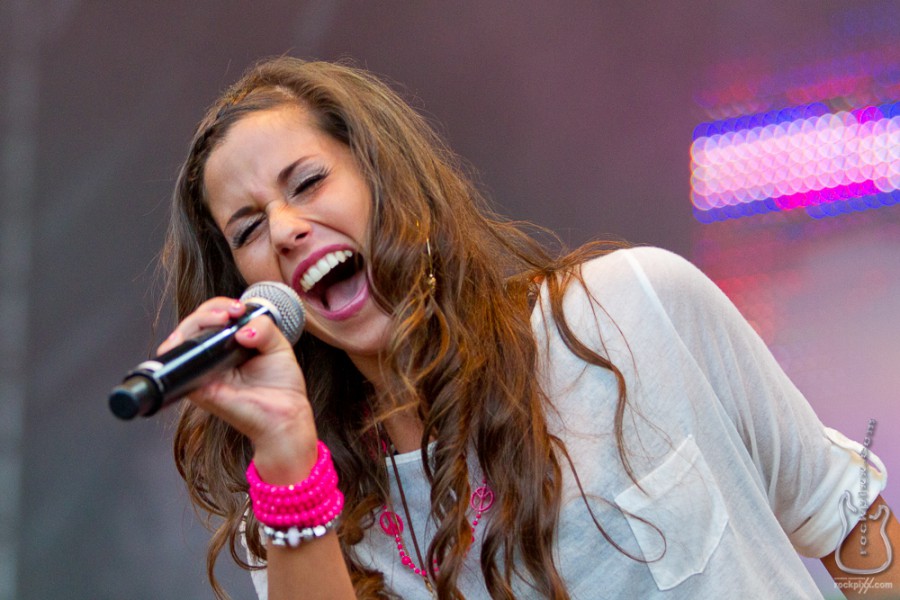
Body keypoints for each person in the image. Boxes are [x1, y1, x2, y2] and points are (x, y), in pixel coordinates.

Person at [156, 56, 898, 599]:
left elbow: (847, 525)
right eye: (249, 227)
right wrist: (286, 450)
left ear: (387, 179)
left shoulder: (632, 307)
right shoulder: (292, 504)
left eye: (309, 183)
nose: (286, 228)